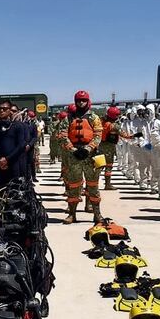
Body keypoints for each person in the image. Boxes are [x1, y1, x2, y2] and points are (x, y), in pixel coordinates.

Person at [57, 90, 103, 223]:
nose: (81, 102)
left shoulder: (94, 118)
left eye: (83, 100)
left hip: (90, 156)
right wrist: (73, 150)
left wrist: (88, 149)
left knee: (93, 185)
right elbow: (62, 135)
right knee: (74, 186)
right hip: (74, 156)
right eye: (78, 100)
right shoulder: (68, 118)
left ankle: (97, 214)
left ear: (88, 101)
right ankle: (72, 214)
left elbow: (98, 135)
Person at [0, 98, 27, 195]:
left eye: (4, 109)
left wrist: (7, 159)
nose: (1, 111)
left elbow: (21, 145)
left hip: (13, 163)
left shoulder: (18, 126)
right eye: (0, 108)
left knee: (15, 191)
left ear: (10, 111)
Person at [99, 105, 121, 190]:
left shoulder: (102, 122)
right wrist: (133, 136)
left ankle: (92, 185)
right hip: (109, 147)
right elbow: (122, 133)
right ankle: (107, 184)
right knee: (109, 166)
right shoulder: (113, 125)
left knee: (99, 166)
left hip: (100, 145)